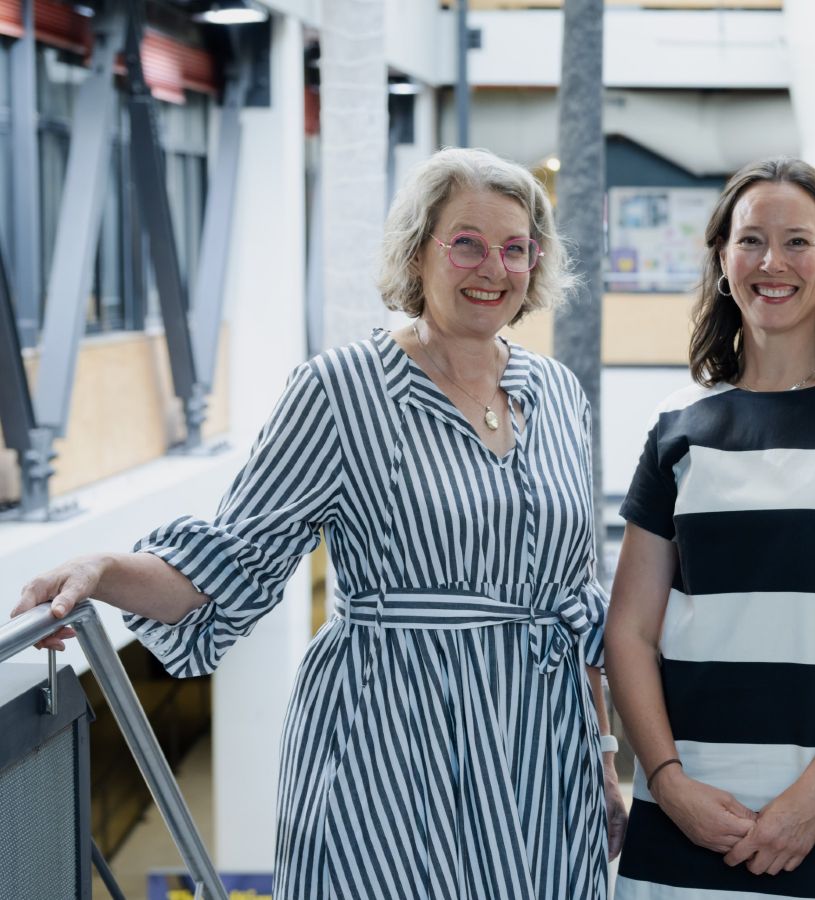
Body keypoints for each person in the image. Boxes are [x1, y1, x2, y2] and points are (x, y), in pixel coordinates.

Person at [12, 147, 626, 899]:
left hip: (540, 751)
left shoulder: (557, 392)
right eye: (465, 242)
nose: (491, 268)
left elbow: (575, 598)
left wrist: (603, 761)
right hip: (396, 749)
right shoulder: (341, 390)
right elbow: (228, 564)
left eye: (515, 248)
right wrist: (103, 572)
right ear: (417, 251)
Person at [606, 156, 815, 900]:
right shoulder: (679, 421)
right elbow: (630, 630)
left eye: (796, 241)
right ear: (723, 260)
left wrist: (811, 799)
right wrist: (666, 785)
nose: (772, 262)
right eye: (751, 240)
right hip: (689, 818)